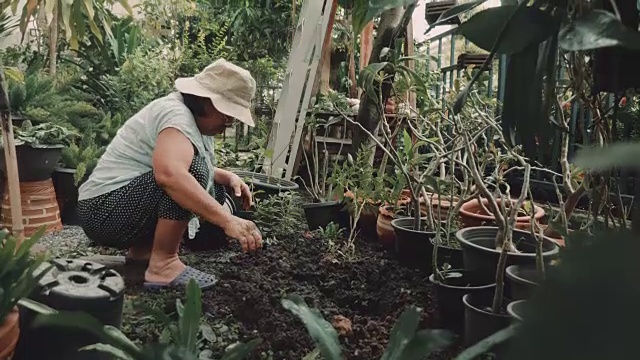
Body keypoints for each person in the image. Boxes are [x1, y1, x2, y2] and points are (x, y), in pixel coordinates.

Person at [77, 59, 263, 290]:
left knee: (194, 177)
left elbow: (176, 161)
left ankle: (143, 255)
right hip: (103, 212)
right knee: (183, 180)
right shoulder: (176, 117)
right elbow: (170, 174)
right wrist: (228, 221)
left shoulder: (185, 118)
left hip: (108, 207)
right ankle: (163, 264)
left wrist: (226, 177)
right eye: (228, 116)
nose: (229, 124)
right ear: (208, 103)